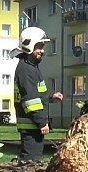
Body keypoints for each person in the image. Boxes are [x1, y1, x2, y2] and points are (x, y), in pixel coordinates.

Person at [11, 27, 63, 163]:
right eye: (39, 47)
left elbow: (35, 94)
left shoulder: (30, 67)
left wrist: (51, 98)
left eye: (42, 47)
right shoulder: (26, 69)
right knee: (30, 161)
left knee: (33, 159)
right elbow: (30, 100)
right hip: (31, 125)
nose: (42, 51)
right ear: (29, 46)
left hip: (32, 124)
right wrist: (42, 122)